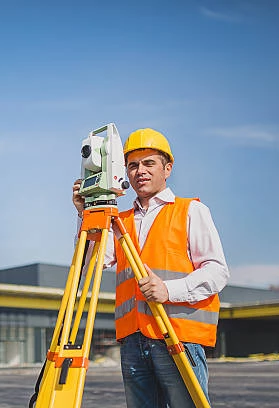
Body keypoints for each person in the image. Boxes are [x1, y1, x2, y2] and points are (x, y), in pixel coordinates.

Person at [72, 128, 229, 407]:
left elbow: (217, 271)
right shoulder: (119, 220)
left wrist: (168, 290)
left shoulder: (190, 211)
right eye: (132, 165)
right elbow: (90, 263)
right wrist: (86, 216)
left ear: (167, 168)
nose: (139, 171)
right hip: (133, 343)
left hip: (178, 336)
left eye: (149, 163)